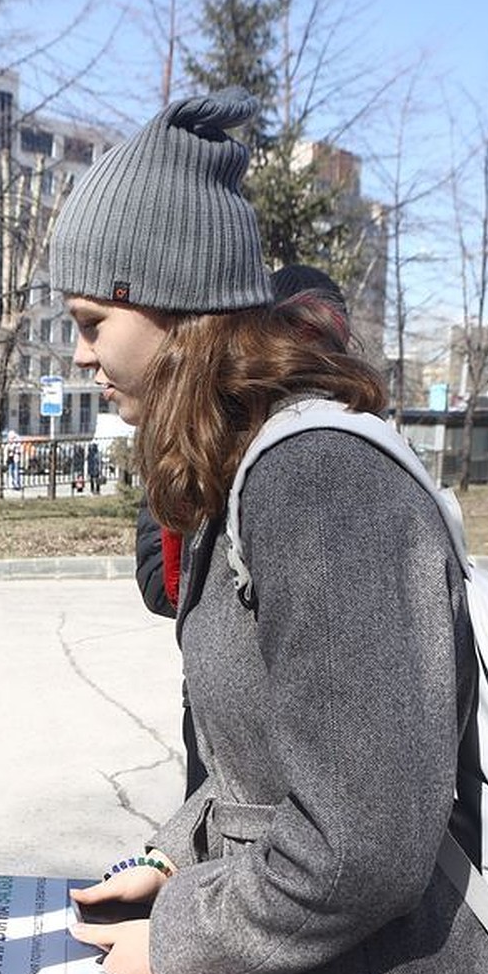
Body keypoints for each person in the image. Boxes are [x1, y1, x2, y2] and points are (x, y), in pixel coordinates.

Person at [51, 90, 488, 974]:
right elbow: (261, 767)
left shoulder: (319, 481)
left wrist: (177, 940)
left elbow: (362, 838)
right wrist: (166, 860)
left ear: (170, 306)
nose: (80, 353)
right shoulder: (250, 475)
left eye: (92, 323)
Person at [135, 264, 352, 800]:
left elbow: (349, 835)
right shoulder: (206, 445)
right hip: (223, 733)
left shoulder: (334, 460)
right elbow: (161, 579)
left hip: (288, 778)